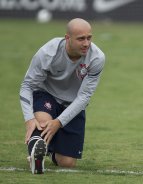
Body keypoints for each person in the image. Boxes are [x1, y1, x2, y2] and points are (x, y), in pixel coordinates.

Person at [19, 18, 105, 174]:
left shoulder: (97, 58)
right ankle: (36, 156)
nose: (86, 43)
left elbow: (84, 97)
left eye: (89, 37)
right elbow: (27, 86)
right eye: (81, 39)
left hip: (73, 103)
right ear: (67, 38)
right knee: (43, 123)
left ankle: (47, 149)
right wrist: (29, 119)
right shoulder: (48, 53)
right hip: (46, 94)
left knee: (67, 163)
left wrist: (59, 122)